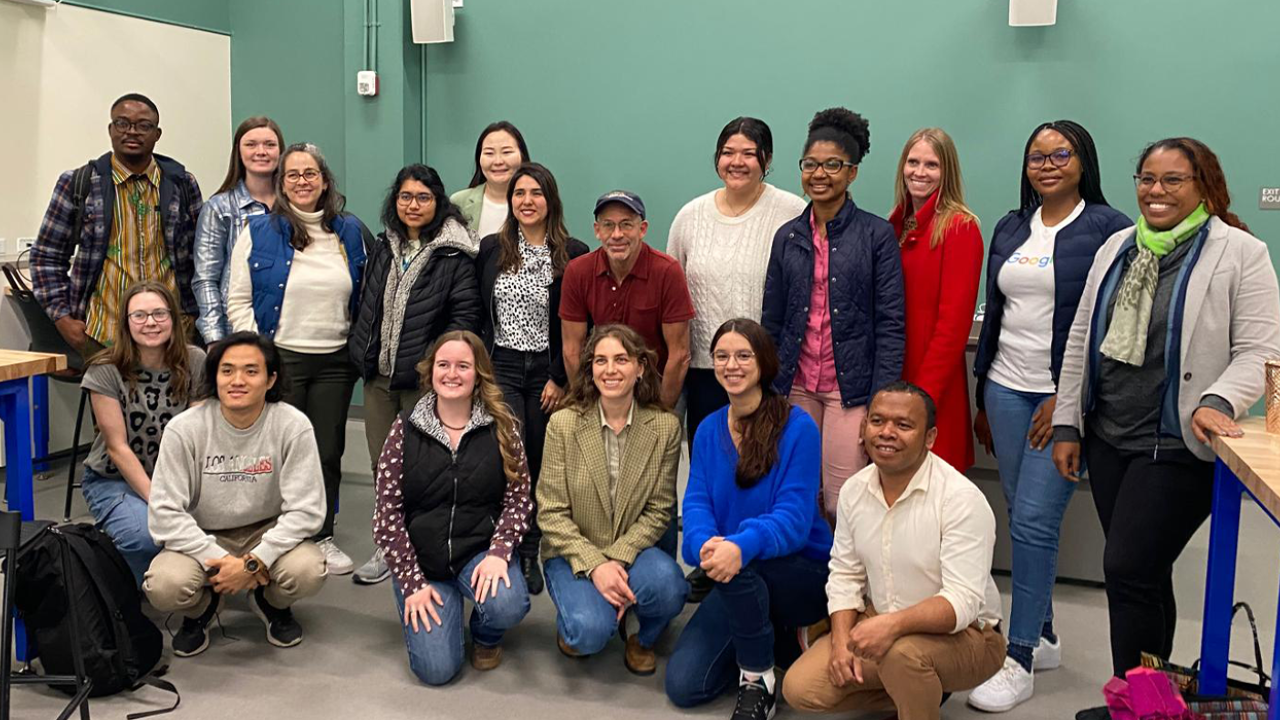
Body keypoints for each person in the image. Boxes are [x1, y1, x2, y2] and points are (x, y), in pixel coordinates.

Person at [1052, 138, 1280, 710]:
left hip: (1179, 440)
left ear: (1203, 185)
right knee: (1146, 576)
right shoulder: (1117, 248)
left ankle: (1136, 703)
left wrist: (1219, 400)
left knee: (1126, 567)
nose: (1156, 191)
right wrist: (1066, 424)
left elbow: (1259, 349)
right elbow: (1083, 337)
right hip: (1109, 436)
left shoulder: (1240, 253)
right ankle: (1154, 700)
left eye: (1173, 180)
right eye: (1147, 179)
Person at [967, 120, 1132, 712]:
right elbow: (1001, 311)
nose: (1048, 164)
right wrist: (984, 391)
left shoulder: (1111, 230)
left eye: (1061, 153)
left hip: (1057, 399)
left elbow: (1113, 326)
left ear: (1083, 160)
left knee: (1034, 523)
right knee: (1021, 515)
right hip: (1004, 390)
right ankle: (1047, 633)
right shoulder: (1012, 226)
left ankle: (1018, 658)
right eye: (1037, 155)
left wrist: (1063, 401)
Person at [782, 382, 1005, 720]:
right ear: (863, 427)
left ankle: (917, 695)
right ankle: (915, 691)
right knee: (800, 688)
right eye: (877, 421)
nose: (887, 433)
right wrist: (841, 640)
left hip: (970, 636)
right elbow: (845, 573)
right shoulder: (855, 490)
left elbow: (963, 602)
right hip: (882, 618)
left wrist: (892, 626)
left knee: (902, 655)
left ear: (929, 438)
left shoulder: (961, 499)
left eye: (903, 425)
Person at [665, 318, 832, 720]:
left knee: (740, 566)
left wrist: (738, 545)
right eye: (721, 356)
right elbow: (698, 503)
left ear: (764, 363)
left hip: (802, 570)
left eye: (743, 355)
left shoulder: (798, 427)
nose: (731, 365)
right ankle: (784, 641)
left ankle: (757, 680)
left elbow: (793, 522)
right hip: (736, 569)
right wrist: (704, 544)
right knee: (686, 685)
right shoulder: (708, 429)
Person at [226, 142, 371, 575]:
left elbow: (367, 294)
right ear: (281, 182)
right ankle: (271, 535)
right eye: (293, 175)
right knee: (278, 451)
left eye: (310, 174)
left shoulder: (350, 231)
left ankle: (321, 534)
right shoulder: (259, 231)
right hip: (280, 359)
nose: (302, 182)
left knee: (325, 451)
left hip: (335, 361)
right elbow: (238, 298)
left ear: (325, 181)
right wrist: (255, 358)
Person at [762, 107, 906, 523]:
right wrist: (770, 388)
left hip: (852, 391)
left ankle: (847, 585)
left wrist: (882, 399)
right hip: (796, 385)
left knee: (841, 500)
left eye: (832, 165)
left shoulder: (876, 236)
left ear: (852, 172)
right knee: (800, 495)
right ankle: (808, 585)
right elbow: (771, 321)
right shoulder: (787, 237)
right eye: (810, 164)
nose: (819, 174)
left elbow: (891, 323)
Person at [144, 332, 328, 657]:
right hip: (204, 533)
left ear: (271, 379)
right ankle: (201, 608)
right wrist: (223, 561)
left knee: (308, 571)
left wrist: (256, 562)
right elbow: (165, 513)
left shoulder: (292, 425)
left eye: (251, 371)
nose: (237, 380)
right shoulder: (184, 429)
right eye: (226, 371)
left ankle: (269, 602)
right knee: (164, 586)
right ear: (214, 377)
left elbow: (308, 510)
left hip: (265, 530)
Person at [372, 331, 533, 685]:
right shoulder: (405, 429)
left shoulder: (503, 426)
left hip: (478, 554)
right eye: (444, 365)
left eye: (463, 366)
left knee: (508, 604)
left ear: (479, 374)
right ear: (431, 372)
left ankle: (485, 632)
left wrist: (500, 552)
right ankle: (444, 609)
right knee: (437, 671)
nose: (452, 374)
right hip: (423, 564)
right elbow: (386, 518)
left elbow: (519, 499)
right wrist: (412, 583)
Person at [349, 164, 480, 585]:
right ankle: (388, 545)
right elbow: (366, 302)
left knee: (423, 468)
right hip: (378, 378)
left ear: (438, 202)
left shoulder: (454, 253)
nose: (413, 205)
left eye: (423, 198)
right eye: (405, 196)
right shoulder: (384, 245)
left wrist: (434, 368)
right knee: (380, 464)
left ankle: (421, 545)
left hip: (424, 381)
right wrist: (361, 350)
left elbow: (463, 318)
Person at [537, 324, 686, 675]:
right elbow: (551, 512)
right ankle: (586, 618)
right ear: (590, 369)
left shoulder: (665, 428)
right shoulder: (563, 425)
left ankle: (641, 636)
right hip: (572, 551)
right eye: (600, 361)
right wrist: (595, 564)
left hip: (631, 551)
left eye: (621, 359)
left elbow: (660, 509)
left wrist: (614, 561)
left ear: (640, 368)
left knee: (670, 588)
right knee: (588, 633)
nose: (610, 369)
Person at [476, 162, 590, 595]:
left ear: (551, 200)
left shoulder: (573, 253)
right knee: (511, 455)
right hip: (502, 364)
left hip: (549, 369)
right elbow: (480, 314)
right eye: (519, 193)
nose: (527, 201)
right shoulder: (492, 248)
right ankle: (514, 542)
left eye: (536, 193)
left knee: (543, 458)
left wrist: (561, 377)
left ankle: (536, 546)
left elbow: (580, 322)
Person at [667, 116, 807, 448]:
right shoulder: (690, 216)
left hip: (768, 368)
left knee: (763, 463)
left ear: (767, 160)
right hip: (705, 369)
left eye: (749, 153)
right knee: (713, 463)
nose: (737, 162)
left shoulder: (792, 212)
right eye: (728, 152)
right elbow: (672, 294)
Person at [31, 93, 204, 356]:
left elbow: (200, 257)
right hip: (104, 334)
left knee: (178, 398)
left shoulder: (181, 184)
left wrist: (196, 316)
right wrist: (62, 318)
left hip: (174, 334)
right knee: (109, 399)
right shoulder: (80, 183)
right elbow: (46, 256)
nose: (132, 132)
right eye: (122, 123)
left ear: (157, 134)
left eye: (143, 126)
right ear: (111, 129)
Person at [80, 280, 204, 585]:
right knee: (146, 537)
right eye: (139, 315)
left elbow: (197, 437)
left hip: (178, 477)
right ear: (126, 323)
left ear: (174, 319)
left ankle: (192, 591)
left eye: (160, 314)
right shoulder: (104, 370)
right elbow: (117, 448)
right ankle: (130, 595)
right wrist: (159, 502)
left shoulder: (196, 361)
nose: (150, 322)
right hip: (115, 478)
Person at [887, 128, 983, 472]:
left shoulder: (960, 227)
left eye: (932, 165)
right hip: (891, 381)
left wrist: (920, 400)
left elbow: (953, 327)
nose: (920, 172)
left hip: (932, 389)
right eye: (913, 162)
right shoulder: (893, 227)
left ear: (947, 172)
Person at [560, 190, 694, 412]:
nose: (617, 234)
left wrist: (660, 411)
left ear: (642, 229)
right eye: (608, 225)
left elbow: (679, 354)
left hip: (655, 389)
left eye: (626, 225)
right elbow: (572, 349)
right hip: (601, 388)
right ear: (597, 231)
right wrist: (587, 403)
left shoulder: (667, 272)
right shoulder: (578, 272)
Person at [193, 116, 284, 344]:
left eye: (270, 145)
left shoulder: (293, 207)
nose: (261, 151)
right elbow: (206, 279)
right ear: (238, 152)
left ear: (281, 152)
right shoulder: (219, 208)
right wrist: (214, 338)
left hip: (287, 331)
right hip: (234, 330)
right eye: (251, 144)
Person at [450, 121, 530, 240]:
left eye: (507, 152)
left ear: (522, 156)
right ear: (479, 159)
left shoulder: (537, 201)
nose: (498, 161)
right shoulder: (459, 202)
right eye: (489, 153)